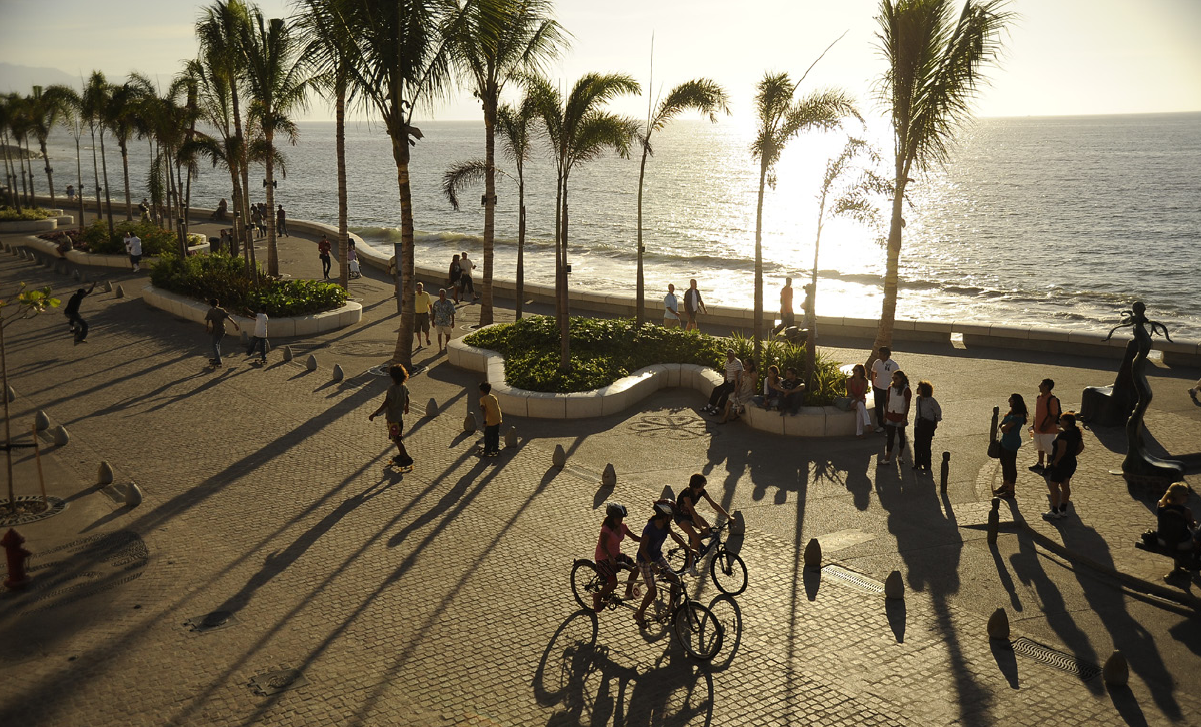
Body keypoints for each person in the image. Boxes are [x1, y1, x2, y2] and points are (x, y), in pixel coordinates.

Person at [632, 500, 693, 630]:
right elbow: (642, 549)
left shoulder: (665, 525)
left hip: (657, 556)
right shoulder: (650, 528)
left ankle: (671, 607)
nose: (672, 518)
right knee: (652, 592)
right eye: (671, 516)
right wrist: (652, 564)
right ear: (664, 514)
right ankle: (639, 613)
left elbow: (675, 537)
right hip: (645, 560)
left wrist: (689, 548)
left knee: (675, 579)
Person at [675, 474, 731, 576]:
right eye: (702, 485)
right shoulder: (686, 494)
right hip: (681, 517)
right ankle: (690, 566)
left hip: (691, 516)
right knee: (696, 538)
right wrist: (701, 527)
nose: (703, 487)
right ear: (696, 485)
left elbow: (712, 504)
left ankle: (694, 545)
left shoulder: (701, 492)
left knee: (709, 529)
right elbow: (692, 511)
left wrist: (728, 516)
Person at [592, 502, 642, 611]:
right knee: (613, 583)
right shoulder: (606, 529)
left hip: (616, 555)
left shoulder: (622, 527)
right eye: (619, 518)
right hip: (604, 558)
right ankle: (597, 597)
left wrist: (645, 540)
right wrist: (610, 557)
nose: (621, 520)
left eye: (622, 518)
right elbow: (603, 545)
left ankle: (628, 592)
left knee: (635, 569)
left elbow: (633, 537)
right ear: (612, 518)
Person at [368, 364, 414, 470]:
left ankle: (406, 457)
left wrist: (375, 413)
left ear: (392, 377)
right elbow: (407, 398)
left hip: (393, 419)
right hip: (399, 418)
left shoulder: (392, 389)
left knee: (397, 439)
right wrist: (406, 407)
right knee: (397, 438)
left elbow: (386, 403)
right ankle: (402, 455)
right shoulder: (404, 387)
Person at [1042, 412, 1084, 520]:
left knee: (1053, 485)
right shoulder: (1076, 433)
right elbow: (1081, 447)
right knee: (1065, 485)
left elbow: (1061, 450)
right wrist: (1072, 454)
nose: (1060, 421)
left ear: (1066, 422)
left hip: (1061, 463)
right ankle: (1063, 509)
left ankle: (1055, 510)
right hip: (1071, 462)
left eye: (1061, 420)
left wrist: (1055, 461)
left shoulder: (1064, 436)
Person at [993, 394, 1028, 498]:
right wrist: (1005, 427)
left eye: (1011, 399)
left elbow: (1004, 428)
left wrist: (1005, 427)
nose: (1009, 400)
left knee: (1011, 465)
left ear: (1015, 402)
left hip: (1012, 442)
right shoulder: (1012, 414)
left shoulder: (1018, 416)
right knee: (1004, 463)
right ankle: (1005, 484)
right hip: (1006, 441)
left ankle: (1011, 490)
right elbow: (1004, 426)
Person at [1029, 378, 1062, 472]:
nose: (1039, 386)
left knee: (1049, 449)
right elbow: (1037, 413)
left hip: (1048, 430)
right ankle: (1040, 463)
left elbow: (1054, 415)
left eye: (1041, 384)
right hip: (1038, 428)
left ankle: (1049, 466)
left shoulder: (1052, 400)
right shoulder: (1039, 398)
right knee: (1040, 447)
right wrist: (1034, 425)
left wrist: (1045, 426)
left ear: (1046, 387)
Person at [912, 380, 942, 472]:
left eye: (919, 388)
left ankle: (927, 464)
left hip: (927, 425)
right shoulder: (918, 400)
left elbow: (938, 412)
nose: (917, 389)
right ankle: (917, 463)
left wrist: (935, 423)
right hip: (919, 424)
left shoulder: (931, 401)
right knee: (917, 445)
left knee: (926, 445)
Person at [882, 369, 911, 464]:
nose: (894, 380)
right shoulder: (890, 388)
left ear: (902, 379)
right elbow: (887, 401)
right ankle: (887, 458)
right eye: (893, 378)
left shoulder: (906, 390)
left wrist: (904, 418)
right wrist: (885, 414)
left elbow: (907, 404)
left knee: (901, 436)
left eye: (896, 378)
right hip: (891, 414)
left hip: (900, 416)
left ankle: (900, 455)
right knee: (890, 437)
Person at [702, 349, 742, 415]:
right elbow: (726, 372)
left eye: (731, 355)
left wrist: (736, 387)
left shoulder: (737, 362)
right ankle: (710, 405)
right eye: (728, 355)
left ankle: (718, 408)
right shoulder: (727, 361)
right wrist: (724, 382)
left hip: (734, 382)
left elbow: (736, 376)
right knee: (717, 389)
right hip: (728, 381)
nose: (729, 356)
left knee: (725, 393)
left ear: (734, 355)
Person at [204, 298, 240, 367]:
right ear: (218, 304)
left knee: (214, 345)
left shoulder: (210, 311)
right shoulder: (222, 310)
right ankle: (217, 357)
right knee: (217, 344)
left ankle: (218, 360)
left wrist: (207, 327)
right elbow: (229, 318)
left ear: (211, 304)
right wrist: (235, 325)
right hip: (222, 329)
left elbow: (208, 320)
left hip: (216, 330)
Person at [871, 347, 898, 433]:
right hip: (878, 388)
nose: (879, 355)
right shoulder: (877, 362)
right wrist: (873, 384)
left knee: (888, 408)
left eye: (880, 354)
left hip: (888, 389)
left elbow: (898, 377)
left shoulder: (893, 364)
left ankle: (889, 427)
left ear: (886, 355)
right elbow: (873, 372)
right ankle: (881, 425)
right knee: (878, 408)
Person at [720, 359, 757, 424]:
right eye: (744, 365)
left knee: (734, 401)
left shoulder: (753, 374)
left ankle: (727, 417)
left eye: (746, 365)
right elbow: (740, 384)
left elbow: (754, 386)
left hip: (748, 393)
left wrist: (755, 395)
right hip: (742, 391)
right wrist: (736, 391)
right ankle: (726, 417)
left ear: (751, 366)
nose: (744, 366)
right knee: (729, 401)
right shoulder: (743, 372)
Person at [846, 364, 872, 438]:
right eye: (853, 370)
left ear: (861, 372)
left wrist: (856, 402)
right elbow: (850, 393)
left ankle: (859, 433)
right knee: (860, 405)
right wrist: (855, 401)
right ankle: (868, 423)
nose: (854, 372)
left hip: (860, 399)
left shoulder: (865, 381)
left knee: (859, 409)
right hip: (851, 399)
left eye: (856, 370)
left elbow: (863, 394)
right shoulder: (849, 380)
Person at [479, 382, 503, 457]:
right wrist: (500, 419)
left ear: (482, 391)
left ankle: (487, 451)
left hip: (490, 421)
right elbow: (497, 408)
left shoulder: (483, 399)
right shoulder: (493, 397)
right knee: (496, 435)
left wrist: (485, 421)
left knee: (488, 436)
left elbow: (484, 410)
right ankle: (495, 449)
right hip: (497, 419)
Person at [432, 288, 456, 352]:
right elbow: (433, 312)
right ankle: (440, 348)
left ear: (445, 295)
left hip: (446, 322)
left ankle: (446, 344)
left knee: (448, 335)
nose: (441, 296)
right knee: (439, 335)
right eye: (440, 294)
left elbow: (452, 313)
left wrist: (453, 322)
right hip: (438, 322)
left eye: (443, 294)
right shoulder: (436, 303)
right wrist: (432, 321)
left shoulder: (449, 303)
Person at [413, 282, 433, 347]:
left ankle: (427, 339)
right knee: (417, 330)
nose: (419, 290)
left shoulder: (426, 294)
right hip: (417, 315)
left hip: (425, 314)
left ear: (422, 288)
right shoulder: (414, 295)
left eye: (420, 288)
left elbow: (430, 304)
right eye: (418, 288)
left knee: (426, 329)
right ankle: (420, 343)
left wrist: (431, 313)